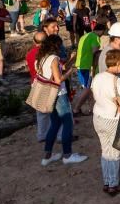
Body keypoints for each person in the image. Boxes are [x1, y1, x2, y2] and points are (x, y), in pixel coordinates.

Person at [37, 35, 88, 167]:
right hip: (59, 94)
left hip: (47, 94)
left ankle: (47, 156)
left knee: (55, 123)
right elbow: (58, 79)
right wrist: (71, 71)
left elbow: (55, 72)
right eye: (60, 45)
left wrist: (71, 61)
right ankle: (67, 155)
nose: (61, 48)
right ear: (55, 46)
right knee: (68, 122)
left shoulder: (42, 59)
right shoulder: (54, 59)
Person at [90, 49, 120, 196]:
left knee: (105, 151)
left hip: (98, 116)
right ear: (119, 63)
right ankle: (113, 184)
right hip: (113, 119)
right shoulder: (118, 81)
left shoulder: (98, 77)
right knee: (114, 153)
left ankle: (107, 181)